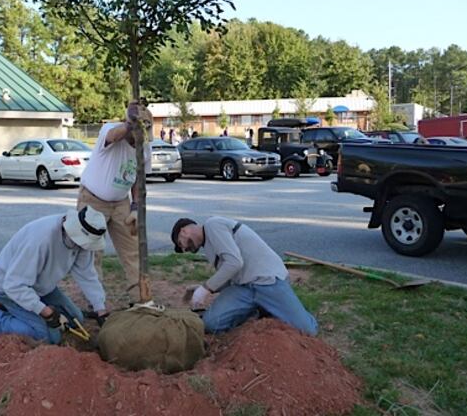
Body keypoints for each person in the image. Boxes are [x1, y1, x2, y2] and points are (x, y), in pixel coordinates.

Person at [0, 206, 110, 344]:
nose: (82, 247)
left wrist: (100, 309)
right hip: (8, 288)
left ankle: (19, 308)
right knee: (48, 336)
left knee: (77, 319)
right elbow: (14, 285)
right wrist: (46, 312)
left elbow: (87, 274)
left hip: (41, 286)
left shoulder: (83, 241)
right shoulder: (39, 241)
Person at [170, 217, 318, 336]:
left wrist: (205, 289)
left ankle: (289, 309)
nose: (185, 249)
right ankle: (257, 310)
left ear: (183, 231)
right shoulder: (208, 247)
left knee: (308, 330)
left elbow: (235, 263)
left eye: (181, 244)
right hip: (244, 288)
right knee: (211, 324)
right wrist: (203, 287)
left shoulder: (212, 225)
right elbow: (229, 276)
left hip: (267, 282)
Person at [76, 100, 151, 289]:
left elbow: (138, 179)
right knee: (92, 252)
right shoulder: (111, 131)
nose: (138, 141)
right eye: (135, 134)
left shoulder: (145, 147)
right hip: (92, 200)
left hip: (121, 203)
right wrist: (129, 122)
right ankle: (96, 303)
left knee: (133, 250)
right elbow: (113, 136)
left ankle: (139, 298)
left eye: (143, 134)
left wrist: (135, 206)